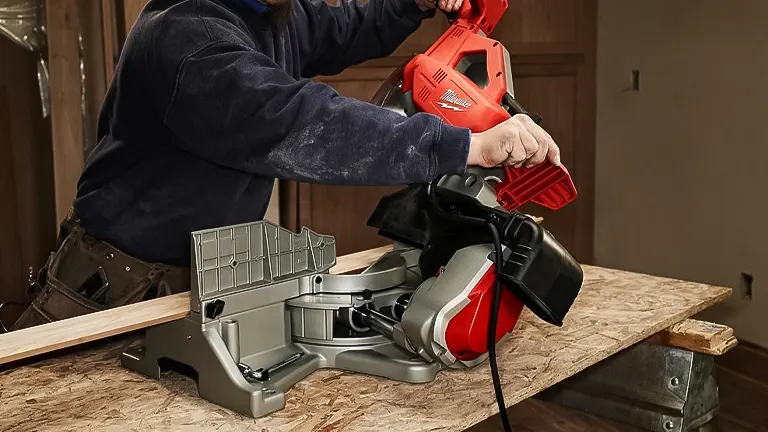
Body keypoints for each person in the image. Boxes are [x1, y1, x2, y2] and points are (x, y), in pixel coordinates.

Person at [8, 0, 560, 330]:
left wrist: (409, 4)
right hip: (112, 289)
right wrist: (467, 144)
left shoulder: (264, 12)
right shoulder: (188, 41)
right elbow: (304, 124)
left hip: (198, 279)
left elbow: (338, 27)